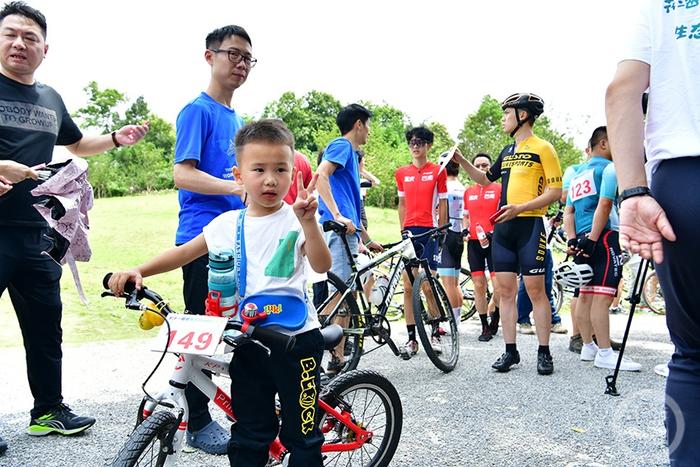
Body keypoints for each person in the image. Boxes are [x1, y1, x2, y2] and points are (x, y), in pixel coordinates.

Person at [108, 119, 331, 467]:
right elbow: (184, 253)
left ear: (292, 173)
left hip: (296, 342)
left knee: (302, 437)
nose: (270, 179)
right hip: (247, 342)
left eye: (280, 169)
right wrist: (139, 270)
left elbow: (321, 264)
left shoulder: (295, 219)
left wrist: (309, 224)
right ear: (238, 174)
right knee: (249, 434)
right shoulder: (227, 225)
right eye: (258, 169)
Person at [0, 1, 148, 449]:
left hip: (40, 234)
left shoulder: (50, 98)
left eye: (30, 37)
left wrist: (116, 139)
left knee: (46, 327)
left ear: (45, 48)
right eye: (10, 34)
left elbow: (78, 142)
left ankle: (48, 410)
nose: (19, 43)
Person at [606, 1, 699, 462]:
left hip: (683, 182)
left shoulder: (659, 6)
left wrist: (633, 192)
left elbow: (622, 90)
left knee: (694, 354)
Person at [171, 24, 254, 453]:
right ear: (210, 57)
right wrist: (234, 188)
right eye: (232, 55)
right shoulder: (197, 111)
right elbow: (181, 173)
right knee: (199, 333)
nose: (240, 64)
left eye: (247, 58)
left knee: (234, 333)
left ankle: (234, 412)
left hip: (235, 240)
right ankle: (197, 425)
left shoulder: (237, 119)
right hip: (201, 242)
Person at [453, 93, 562, 375]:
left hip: (530, 226)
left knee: (537, 292)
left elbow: (555, 192)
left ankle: (544, 352)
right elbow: (484, 179)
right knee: (504, 292)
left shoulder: (544, 148)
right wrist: (462, 160)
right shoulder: (506, 151)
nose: (503, 119)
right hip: (503, 228)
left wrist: (521, 208)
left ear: (522, 115)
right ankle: (510, 351)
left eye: (507, 114)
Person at [563, 126, 640, 371]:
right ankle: (605, 353)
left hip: (582, 237)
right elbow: (605, 204)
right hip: (603, 238)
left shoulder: (577, 174)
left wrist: (574, 239)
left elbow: (569, 211)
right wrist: (595, 238)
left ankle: (589, 346)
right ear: (605, 143)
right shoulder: (608, 168)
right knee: (602, 296)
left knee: (585, 294)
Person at [315, 104, 382, 373]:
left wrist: (367, 239)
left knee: (346, 291)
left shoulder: (352, 156)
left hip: (349, 234)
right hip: (338, 231)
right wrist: (337, 214)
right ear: (358, 124)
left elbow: (352, 206)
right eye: (368, 125)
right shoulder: (342, 146)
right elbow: (320, 175)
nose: (369, 131)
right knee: (340, 293)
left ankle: (338, 353)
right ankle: (336, 357)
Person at [395, 126, 448, 355]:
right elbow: (402, 204)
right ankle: (411, 339)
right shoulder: (401, 172)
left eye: (420, 142)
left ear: (428, 145)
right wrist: (402, 230)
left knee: (427, 284)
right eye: (412, 142)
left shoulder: (438, 171)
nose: (415, 146)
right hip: (409, 231)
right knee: (408, 287)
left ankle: (435, 333)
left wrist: (442, 229)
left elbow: (443, 202)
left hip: (429, 230)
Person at [462, 153, 501, 342]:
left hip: (495, 242)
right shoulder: (468, 191)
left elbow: (503, 214)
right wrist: (464, 229)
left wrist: (496, 232)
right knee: (478, 285)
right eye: (477, 165)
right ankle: (485, 325)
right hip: (474, 242)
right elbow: (466, 216)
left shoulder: (500, 188)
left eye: (485, 165)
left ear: (491, 167)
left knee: (499, 286)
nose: (481, 168)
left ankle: (497, 315)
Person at [436, 152, 466, 332]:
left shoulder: (444, 186)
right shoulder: (462, 186)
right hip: (459, 235)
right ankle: (456, 319)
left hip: (446, 235)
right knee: (455, 283)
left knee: (448, 284)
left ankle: (451, 323)